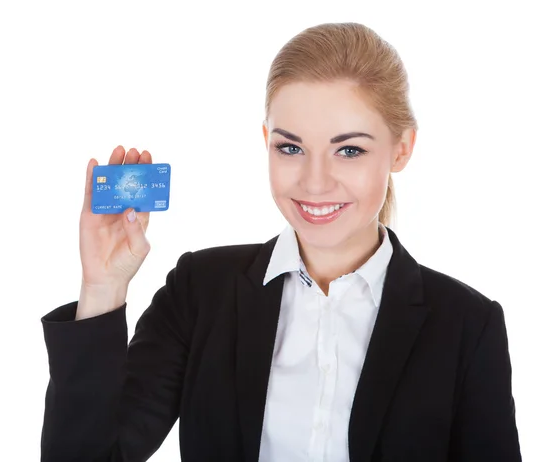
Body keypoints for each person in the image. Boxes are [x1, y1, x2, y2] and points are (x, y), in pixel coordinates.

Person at [40, 22, 521, 462]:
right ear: (266, 139)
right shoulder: (199, 291)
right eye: (290, 148)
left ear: (402, 148)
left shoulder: (467, 326)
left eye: (349, 149)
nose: (314, 183)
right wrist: (102, 288)